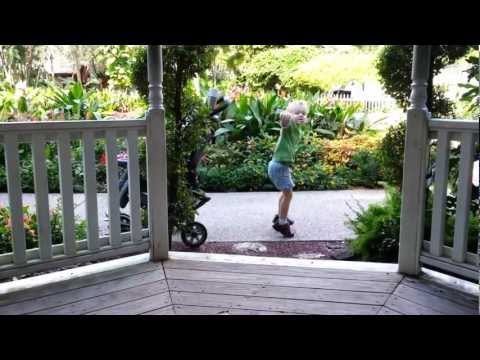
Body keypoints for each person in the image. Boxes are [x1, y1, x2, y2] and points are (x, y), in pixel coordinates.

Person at [268, 100, 308, 238]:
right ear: (291, 113)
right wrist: (291, 116)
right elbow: (282, 116)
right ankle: (282, 223)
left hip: (280, 165)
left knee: (285, 194)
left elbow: (302, 119)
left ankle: (280, 216)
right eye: (297, 113)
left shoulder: (297, 127)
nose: (301, 115)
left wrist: (301, 118)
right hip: (278, 165)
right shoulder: (288, 124)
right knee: (289, 195)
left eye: (303, 113)